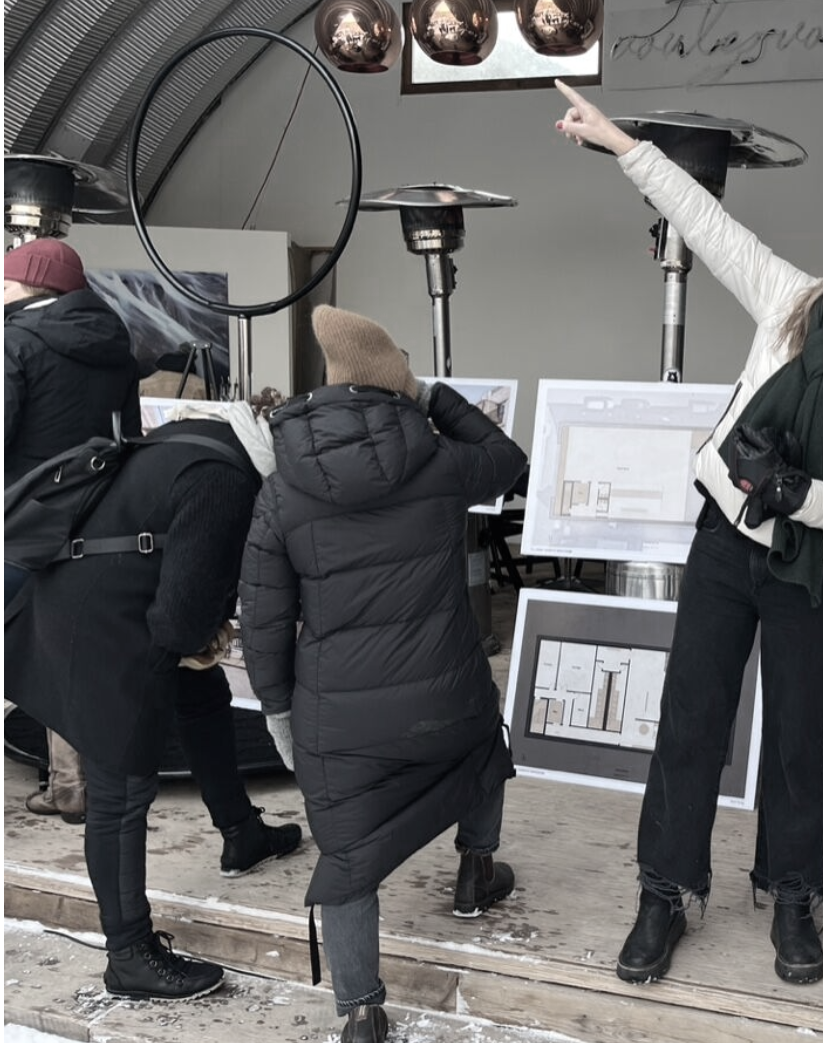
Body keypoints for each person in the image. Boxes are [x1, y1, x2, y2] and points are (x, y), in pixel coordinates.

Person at [553, 80, 823, 986]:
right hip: (723, 544)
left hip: (809, 574)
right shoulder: (793, 302)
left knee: (797, 738)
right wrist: (620, 144)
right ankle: (664, 891)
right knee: (690, 723)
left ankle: (794, 895)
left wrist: (794, 492)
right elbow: (711, 229)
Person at [238, 307, 528, 1043]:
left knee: (349, 850)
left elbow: (265, 613)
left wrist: (276, 710)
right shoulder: (435, 460)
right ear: (393, 379)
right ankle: (475, 872)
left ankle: (363, 1012)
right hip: (444, 690)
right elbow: (507, 456)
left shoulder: (282, 486)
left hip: (339, 712)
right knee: (479, 746)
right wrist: (430, 395)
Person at [4, 399, 305, 1001]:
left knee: (202, 691)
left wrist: (200, 638)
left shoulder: (212, 435)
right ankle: (130, 956)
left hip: (96, 589)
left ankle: (240, 833)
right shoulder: (227, 483)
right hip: (96, 620)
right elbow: (178, 622)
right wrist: (206, 634)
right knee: (121, 790)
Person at [5, 237, 142, 822]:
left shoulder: (15, 342)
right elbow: (130, 435)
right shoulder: (115, 341)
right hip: (99, 512)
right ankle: (71, 784)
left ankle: (70, 783)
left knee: (27, 645)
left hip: (25, 518)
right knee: (69, 648)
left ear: (31, 284)